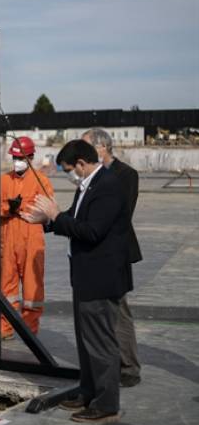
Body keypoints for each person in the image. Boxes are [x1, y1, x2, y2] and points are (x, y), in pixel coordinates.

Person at [22, 139, 132, 424]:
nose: (70, 174)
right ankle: (87, 391)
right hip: (84, 275)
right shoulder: (88, 186)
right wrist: (46, 222)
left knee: (100, 343)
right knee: (86, 342)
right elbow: (74, 217)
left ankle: (106, 403)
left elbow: (92, 231)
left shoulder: (108, 186)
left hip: (100, 277)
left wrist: (55, 216)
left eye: (70, 169)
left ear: (82, 163)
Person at [82, 128, 142, 388]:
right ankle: (107, 364)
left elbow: (117, 215)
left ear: (101, 148)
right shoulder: (91, 175)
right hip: (93, 251)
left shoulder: (125, 175)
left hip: (114, 252)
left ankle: (128, 367)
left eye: (84, 147)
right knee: (100, 313)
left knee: (118, 311)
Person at [0, 136, 54, 339]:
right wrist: (8, 208)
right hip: (9, 236)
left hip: (32, 238)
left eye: (20, 158)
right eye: (14, 158)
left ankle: (30, 329)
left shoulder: (41, 180)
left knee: (32, 286)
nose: (17, 162)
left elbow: (49, 208)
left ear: (30, 157)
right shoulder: (4, 180)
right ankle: (5, 328)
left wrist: (21, 207)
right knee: (7, 285)